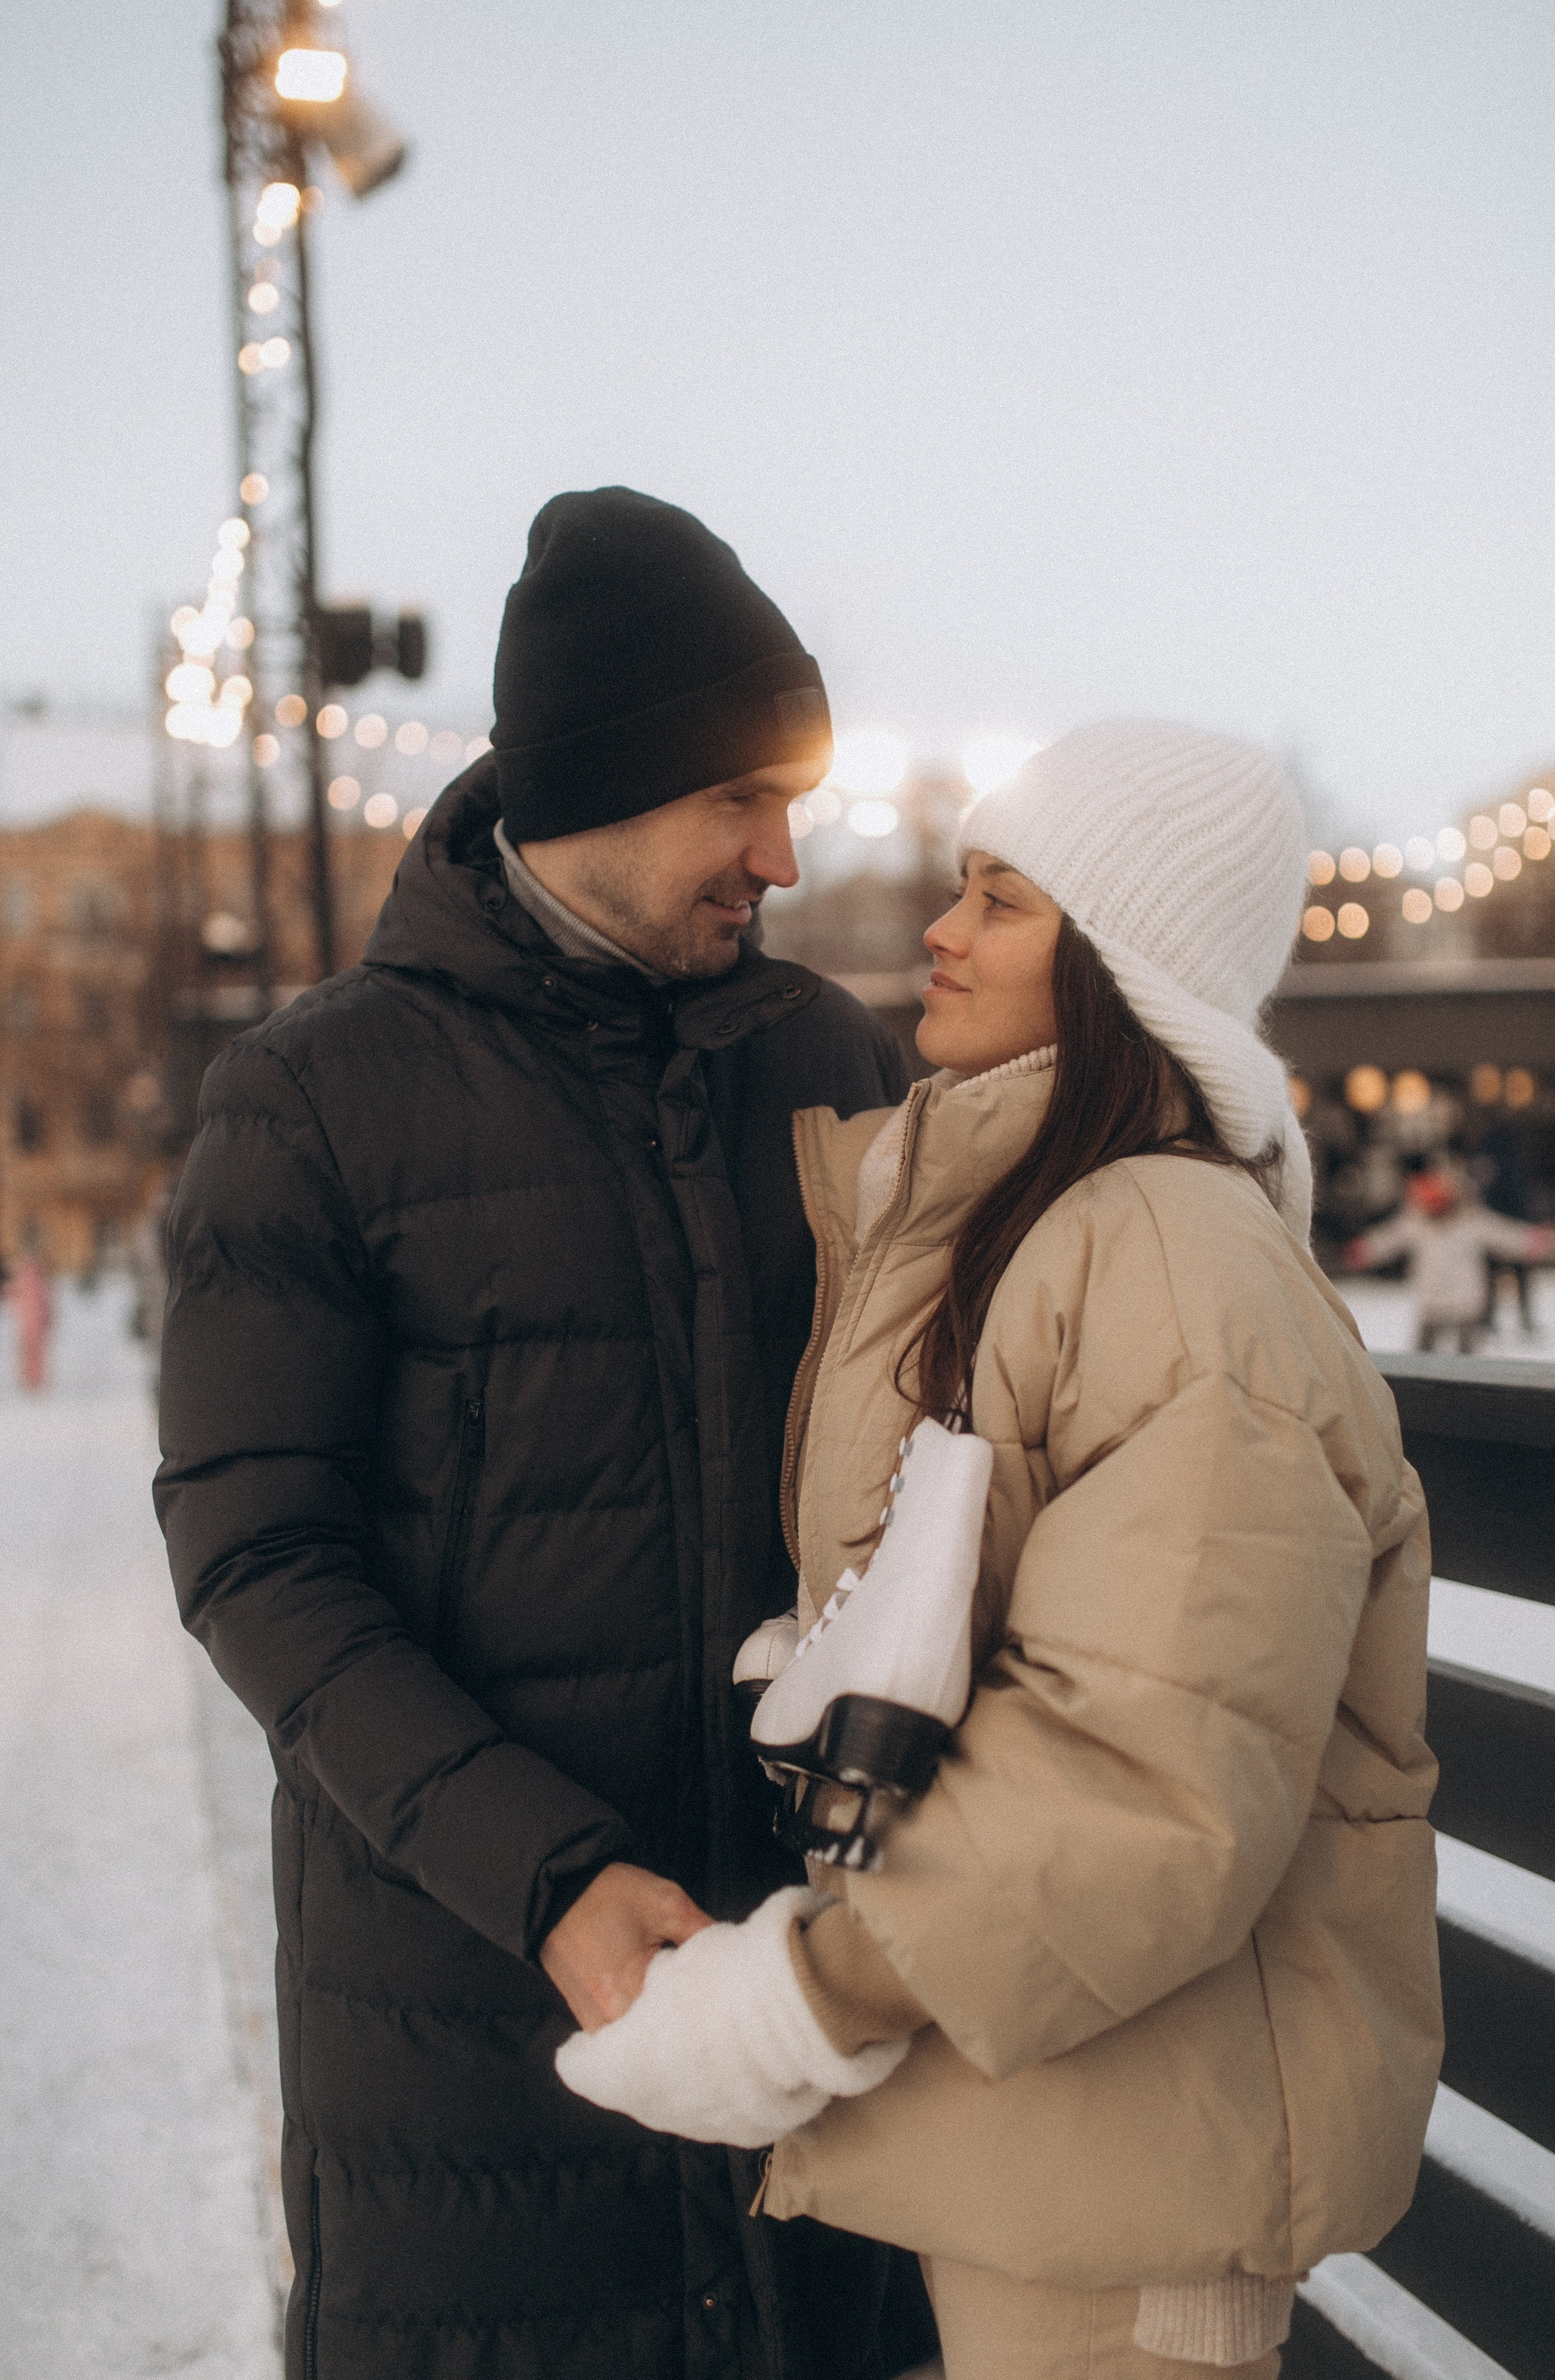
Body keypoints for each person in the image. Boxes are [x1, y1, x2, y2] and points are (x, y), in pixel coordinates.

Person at [556, 724, 1444, 2379]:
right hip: (1066, 2131)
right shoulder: (1048, 1225)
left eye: (1001, 897)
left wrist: (804, 1996)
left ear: (1121, 968)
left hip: (1137, 2189)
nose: (938, 933)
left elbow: (1145, 1767)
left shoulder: (1171, 1256)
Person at [155, 488, 910, 2380]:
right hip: (465, 2032)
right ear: (602, 778)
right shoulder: (314, 1098)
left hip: (811, 1994)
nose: (786, 855)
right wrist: (541, 1874)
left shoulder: (827, 1061)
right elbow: (257, 1554)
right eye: (743, 799)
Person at [1348, 1164, 1553, 1355]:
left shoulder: (1471, 1220)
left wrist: (1529, 1242)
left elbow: (1502, 1234)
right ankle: (1420, 1385)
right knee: (1422, 1355)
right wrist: (1366, 1250)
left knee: (1465, 1358)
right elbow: (1389, 1238)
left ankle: (1464, 1388)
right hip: (1432, 1301)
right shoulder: (1415, 1222)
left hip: (1465, 1303)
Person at [10, 1246, 54, 1393]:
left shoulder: (36, 1283)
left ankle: (34, 1378)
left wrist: (49, 1316)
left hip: (32, 1322)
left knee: (33, 1351)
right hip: (30, 1322)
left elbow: (46, 1302)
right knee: (31, 1351)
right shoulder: (33, 1282)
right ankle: (31, 1378)